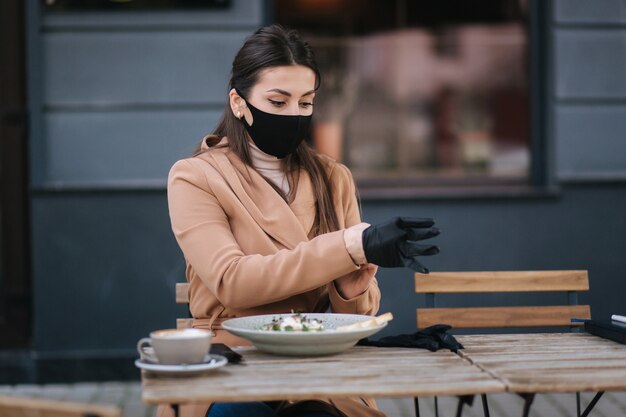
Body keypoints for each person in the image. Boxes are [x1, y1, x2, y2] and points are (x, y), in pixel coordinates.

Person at [162, 24, 439, 417]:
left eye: (305, 103)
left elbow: (358, 318)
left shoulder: (332, 177)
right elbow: (232, 282)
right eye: (277, 103)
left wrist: (350, 286)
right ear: (239, 103)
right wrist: (345, 248)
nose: (294, 115)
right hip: (228, 360)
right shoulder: (195, 176)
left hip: (318, 363)